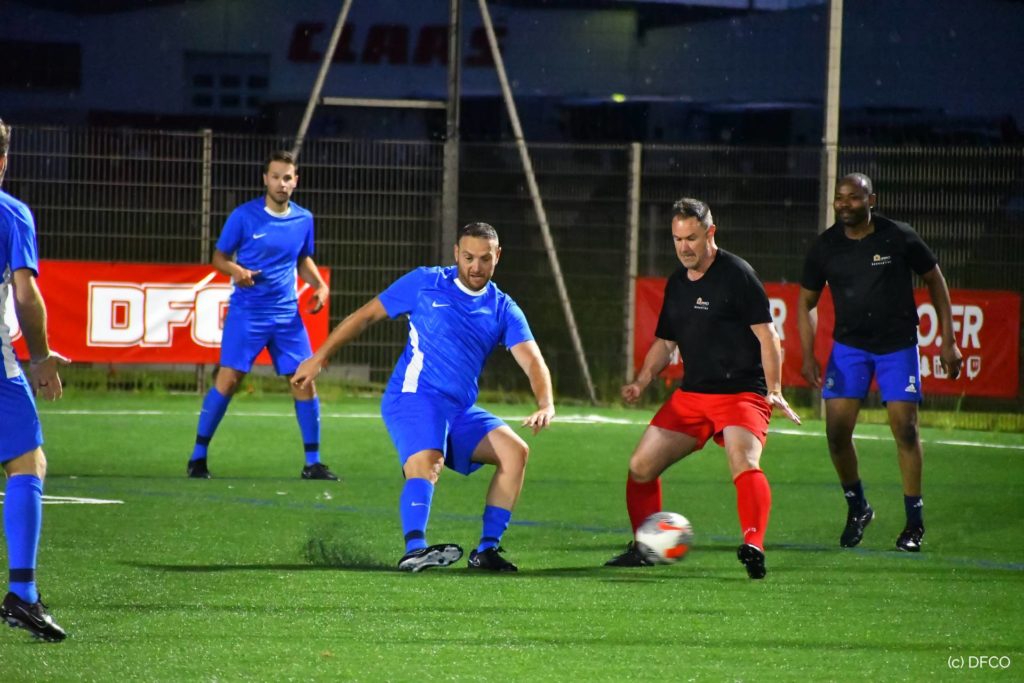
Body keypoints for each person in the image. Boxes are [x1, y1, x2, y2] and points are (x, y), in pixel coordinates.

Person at [292, 222, 555, 573]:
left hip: (459, 409)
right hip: (414, 396)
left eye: (485, 259)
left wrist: (545, 403)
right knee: (429, 461)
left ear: (498, 257)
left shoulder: (503, 308)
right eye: (468, 257)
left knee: (515, 452)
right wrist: (321, 357)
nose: (476, 266)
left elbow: (533, 361)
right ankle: (414, 548)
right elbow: (366, 315)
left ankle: (487, 551)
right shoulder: (425, 282)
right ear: (456, 254)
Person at [605, 198, 801, 579]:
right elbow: (666, 342)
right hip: (693, 396)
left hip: (741, 393)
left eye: (691, 238)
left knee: (744, 461)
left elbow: (769, 337)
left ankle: (753, 545)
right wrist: (642, 381)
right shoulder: (677, 283)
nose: (684, 248)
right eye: (677, 239)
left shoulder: (738, 274)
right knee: (640, 467)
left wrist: (774, 389)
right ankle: (646, 548)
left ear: (711, 233)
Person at [797, 173, 962, 553]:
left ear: (871, 200)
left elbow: (935, 280)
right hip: (849, 349)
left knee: (905, 429)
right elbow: (805, 302)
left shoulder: (898, 235)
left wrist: (948, 341)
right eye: (840, 197)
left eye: (854, 197)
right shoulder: (825, 246)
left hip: (897, 347)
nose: (844, 204)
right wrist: (807, 354)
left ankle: (914, 523)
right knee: (836, 433)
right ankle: (858, 507)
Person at [186, 150, 337, 481]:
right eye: (276, 177)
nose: (281, 183)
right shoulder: (244, 216)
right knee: (228, 380)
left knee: (303, 380)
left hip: (286, 315)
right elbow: (219, 257)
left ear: (296, 181)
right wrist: (236, 271)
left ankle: (312, 463)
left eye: (287, 178)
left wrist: (320, 285)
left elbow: (302, 259)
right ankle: (198, 457)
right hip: (248, 313)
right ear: (265, 179)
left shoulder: (303, 219)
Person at [0, 118, 68, 641]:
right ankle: (22, 595)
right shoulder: (10, 213)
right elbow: (26, 293)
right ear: (4, 160)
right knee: (28, 460)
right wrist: (41, 357)